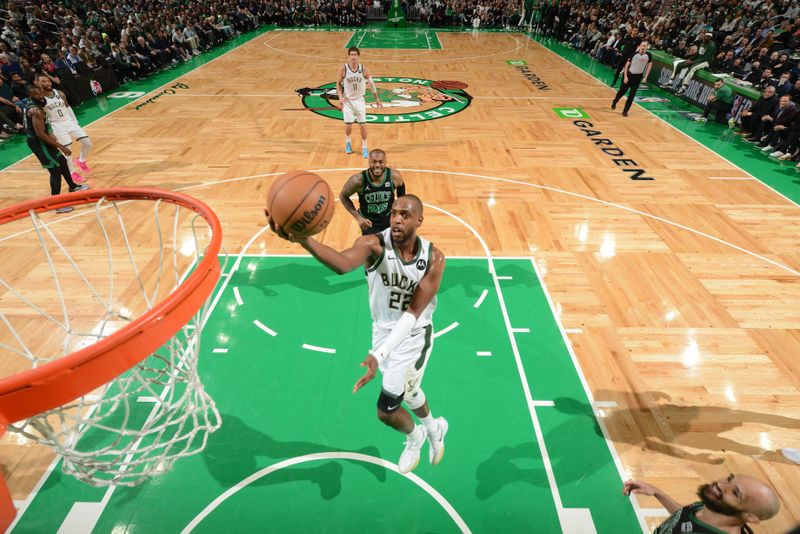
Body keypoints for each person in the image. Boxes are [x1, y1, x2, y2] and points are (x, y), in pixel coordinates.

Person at [267, 194, 448, 474]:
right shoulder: (373, 244)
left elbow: (413, 313)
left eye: (405, 215)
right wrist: (304, 240)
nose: (397, 219)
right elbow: (341, 263)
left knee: (386, 411)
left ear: (419, 220)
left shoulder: (433, 258)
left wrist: (379, 354)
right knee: (409, 392)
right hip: (382, 330)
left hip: (414, 335)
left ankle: (416, 437)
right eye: (394, 213)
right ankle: (435, 427)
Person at [623, 475, 780, 533]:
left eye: (735, 493)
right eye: (729, 479)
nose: (720, 485)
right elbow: (684, 517)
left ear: (750, 516)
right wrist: (658, 493)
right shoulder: (709, 508)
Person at [23, 85, 88, 214]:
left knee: (62, 162)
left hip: (44, 139)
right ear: (30, 96)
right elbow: (40, 133)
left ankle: (73, 187)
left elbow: (45, 129)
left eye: (41, 93)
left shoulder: (39, 106)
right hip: (39, 142)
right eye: (37, 94)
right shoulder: (36, 110)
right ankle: (56, 204)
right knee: (55, 171)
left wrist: (55, 143)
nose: (40, 96)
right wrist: (61, 146)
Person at [35, 73, 92, 183]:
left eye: (48, 81)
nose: (47, 83)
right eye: (43, 81)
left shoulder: (59, 93)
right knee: (68, 151)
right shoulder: (40, 99)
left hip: (69, 122)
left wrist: (75, 122)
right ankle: (72, 172)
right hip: (57, 126)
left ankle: (81, 161)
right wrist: (49, 131)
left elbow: (67, 106)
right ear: (38, 84)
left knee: (88, 143)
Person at [339, 148, 406, 235]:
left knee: (392, 246)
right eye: (374, 162)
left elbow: (401, 188)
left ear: (385, 162)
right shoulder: (358, 180)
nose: (377, 165)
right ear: (369, 162)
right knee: (374, 247)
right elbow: (343, 196)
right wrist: (358, 218)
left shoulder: (394, 176)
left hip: (389, 220)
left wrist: (399, 211)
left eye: (381, 162)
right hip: (369, 224)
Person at [337, 46, 382, 158]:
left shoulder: (363, 69)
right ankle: (348, 142)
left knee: (363, 125)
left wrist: (376, 99)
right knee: (348, 126)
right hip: (347, 101)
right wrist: (340, 97)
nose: (353, 56)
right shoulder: (343, 69)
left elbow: (371, 84)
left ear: (358, 56)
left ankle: (365, 147)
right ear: (348, 56)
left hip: (360, 101)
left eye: (355, 55)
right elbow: (338, 83)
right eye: (351, 54)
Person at [611, 40, 652, 117]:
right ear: (639, 46)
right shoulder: (634, 54)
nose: (643, 47)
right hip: (629, 75)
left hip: (638, 77)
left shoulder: (648, 55)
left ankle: (625, 111)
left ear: (647, 47)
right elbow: (626, 66)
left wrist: (645, 77)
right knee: (622, 91)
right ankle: (615, 101)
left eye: (645, 46)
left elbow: (649, 66)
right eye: (642, 45)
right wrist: (625, 77)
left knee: (631, 95)